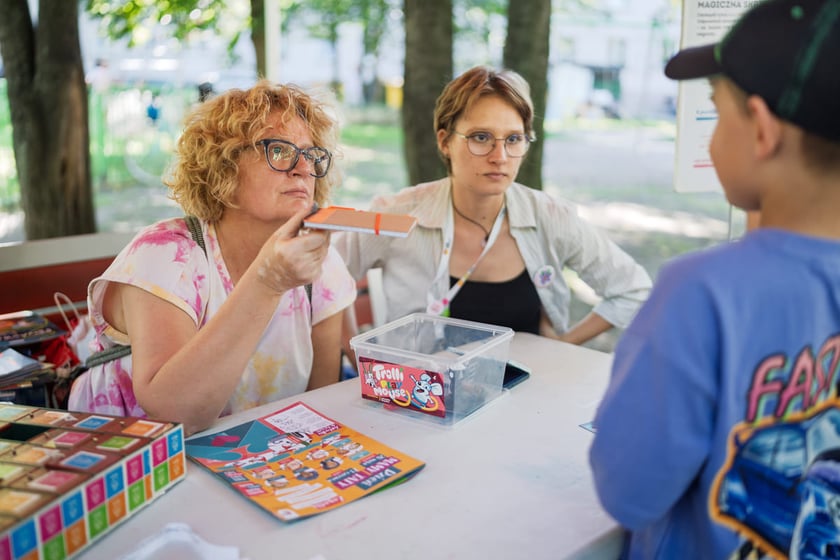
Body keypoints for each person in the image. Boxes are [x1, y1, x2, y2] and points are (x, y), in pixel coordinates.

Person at [589, 1, 840, 558]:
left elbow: (628, 492)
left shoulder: (701, 292)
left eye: (716, 111)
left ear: (762, 130)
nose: (712, 133)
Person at [68, 80, 356, 436]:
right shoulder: (167, 255)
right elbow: (174, 415)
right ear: (224, 166)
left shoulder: (321, 266)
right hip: (122, 458)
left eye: (312, 155)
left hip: (249, 459)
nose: (303, 169)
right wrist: (268, 281)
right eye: (279, 150)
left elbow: (316, 409)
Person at [334, 66, 651, 348]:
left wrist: (563, 346)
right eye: (481, 137)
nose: (499, 156)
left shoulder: (550, 216)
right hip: (423, 404)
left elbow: (632, 289)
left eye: (513, 139)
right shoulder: (399, 214)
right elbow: (323, 282)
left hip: (527, 401)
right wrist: (359, 356)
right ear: (444, 141)